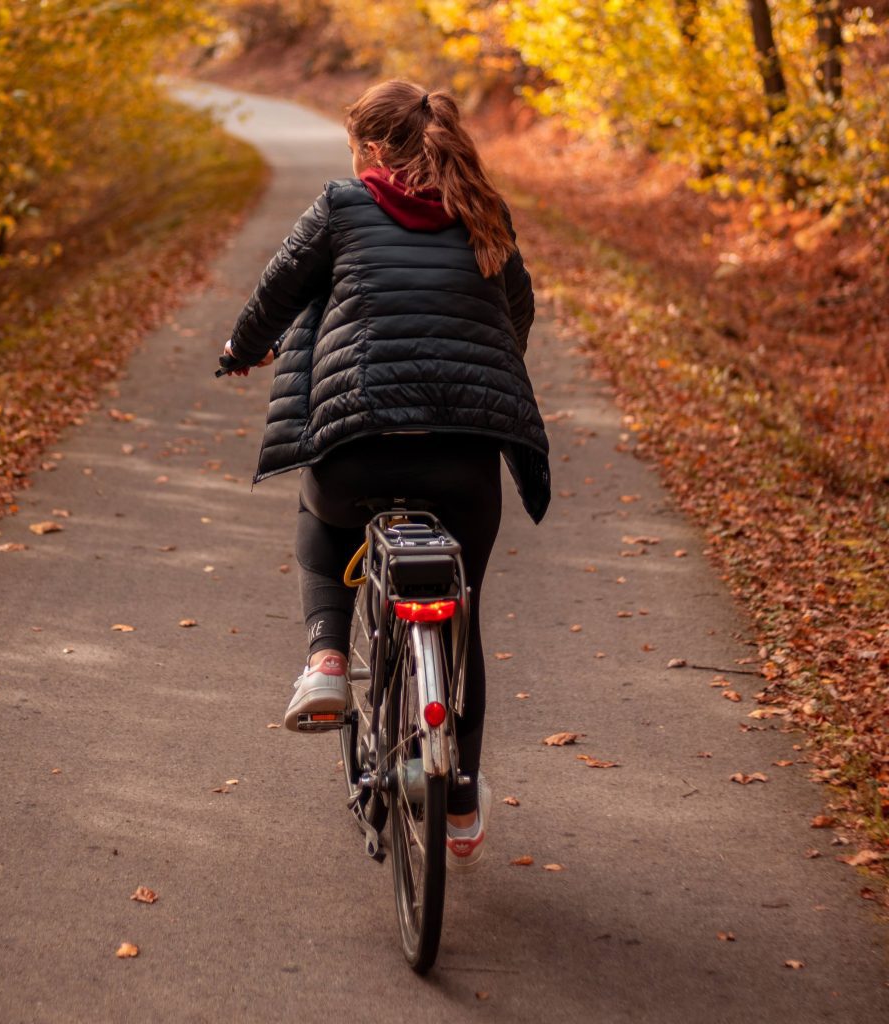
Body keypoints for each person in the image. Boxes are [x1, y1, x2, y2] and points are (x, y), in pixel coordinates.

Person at [220, 80, 550, 871]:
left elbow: (275, 295)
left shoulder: (340, 206)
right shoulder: (485, 212)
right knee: (460, 610)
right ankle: (461, 789)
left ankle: (329, 660)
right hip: (465, 459)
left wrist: (240, 350)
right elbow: (518, 321)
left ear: (371, 150)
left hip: (360, 445)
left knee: (321, 517)